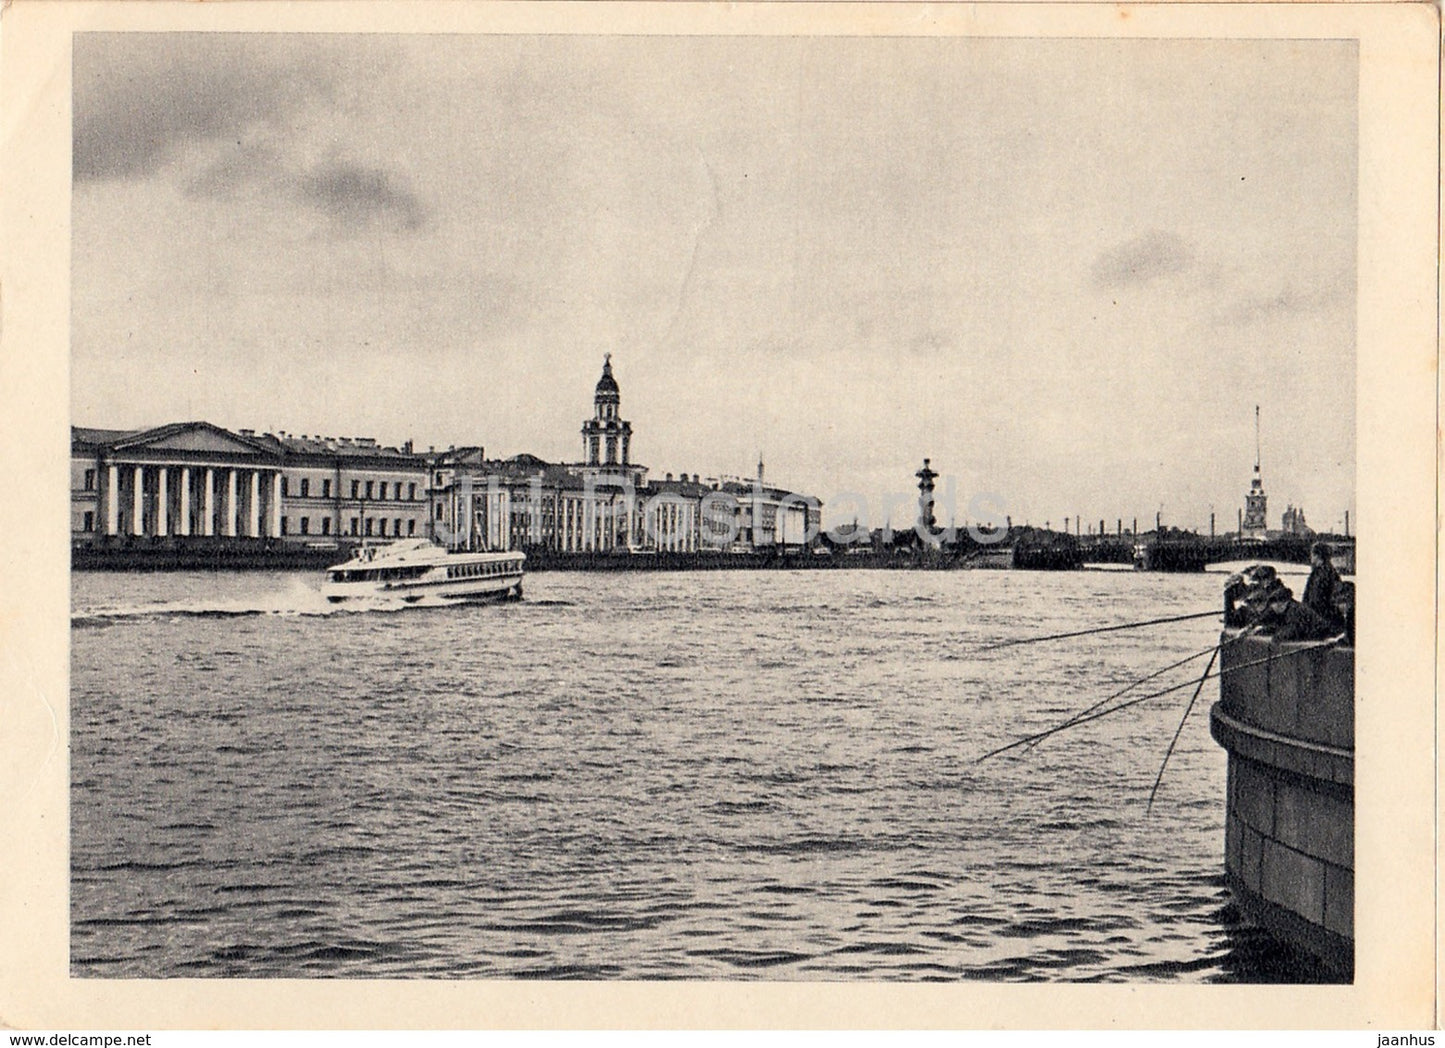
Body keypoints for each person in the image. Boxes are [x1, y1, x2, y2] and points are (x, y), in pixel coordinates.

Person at [1301, 541, 1343, 627]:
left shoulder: (1323, 573)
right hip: (1320, 615)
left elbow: (1316, 598)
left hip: (1321, 618)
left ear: (1318, 556)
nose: (1310, 557)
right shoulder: (1323, 570)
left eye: (1312, 554)